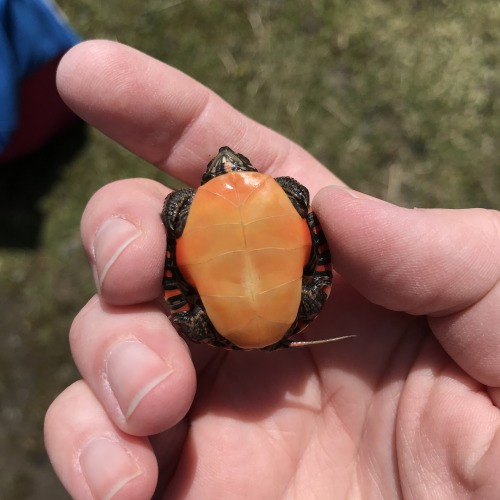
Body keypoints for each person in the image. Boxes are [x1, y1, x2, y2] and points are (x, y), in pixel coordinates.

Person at [44, 40, 500, 499]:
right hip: (268, 317)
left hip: (247, 319)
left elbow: (179, 253)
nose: (224, 157)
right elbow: (310, 245)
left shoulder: (187, 206)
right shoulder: (279, 192)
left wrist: (174, 272)